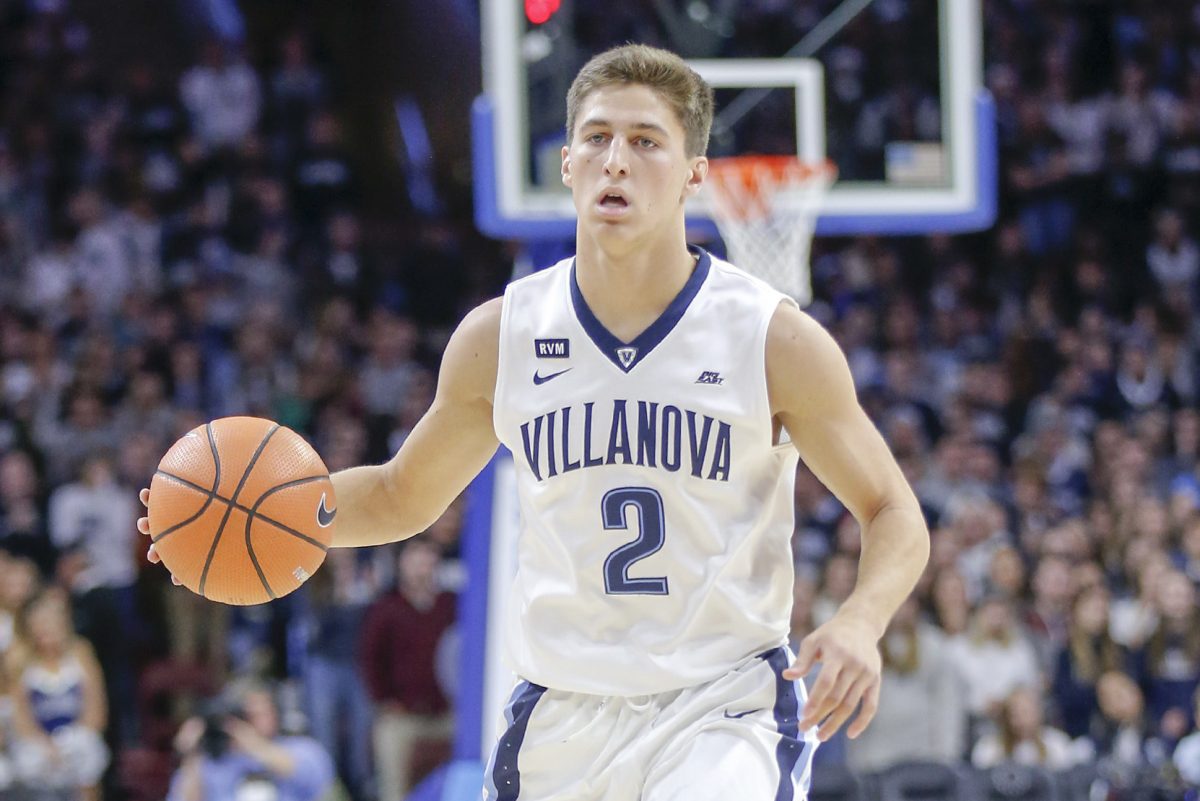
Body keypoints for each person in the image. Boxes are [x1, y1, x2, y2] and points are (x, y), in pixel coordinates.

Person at [142, 44, 930, 800]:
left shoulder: (772, 338)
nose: (615, 160)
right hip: (561, 714)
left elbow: (893, 509)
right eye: (597, 137)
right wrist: (252, 516)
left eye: (645, 141)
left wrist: (860, 621)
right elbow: (400, 494)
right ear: (567, 163)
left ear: (695, 172)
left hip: (720, 706)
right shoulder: (502, 335)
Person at [8, 587, 110, 801]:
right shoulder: (19, 660)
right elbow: (21, 719)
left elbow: (96, 709)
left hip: (77, 737)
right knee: (30, 762)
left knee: (87, 752)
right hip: (39, 743)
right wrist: (46, 745)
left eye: (50, 623)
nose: (45, 629)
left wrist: (72, 740)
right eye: (39, 624)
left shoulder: (81, 651)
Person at [166, 680, 334, 801]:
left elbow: (314, 779)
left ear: (276, 713)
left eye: (258, 713)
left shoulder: (301, 748)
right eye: (246, 714)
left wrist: (253, 743)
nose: (250, 721)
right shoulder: (212, 759)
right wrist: (192, 753)